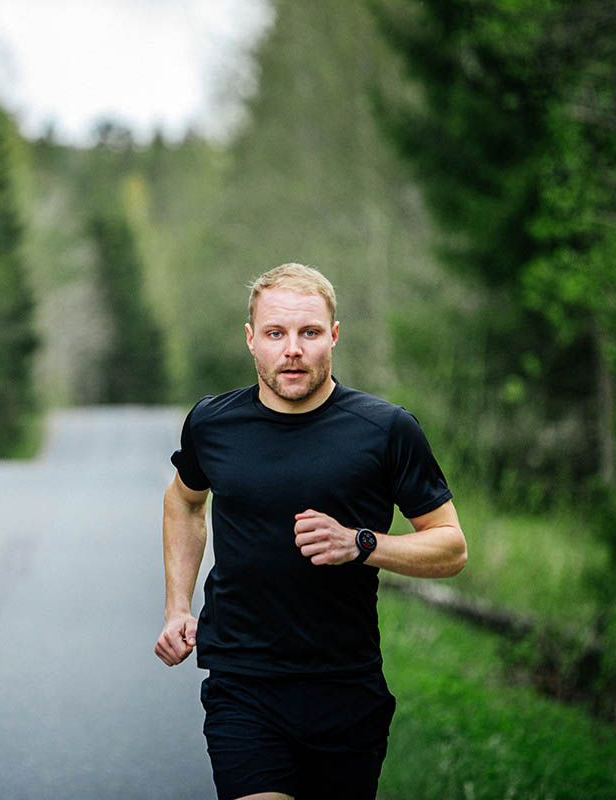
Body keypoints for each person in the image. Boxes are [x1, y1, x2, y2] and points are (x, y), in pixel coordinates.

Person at [154, 263, 467, 800]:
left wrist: (362, 544)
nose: (292, 349)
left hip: (345, 686)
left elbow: (451, 546)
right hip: (242, 680)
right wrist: (177, 607)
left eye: (309, 332)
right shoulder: (213, 423)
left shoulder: (386, 430)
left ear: (335, 336)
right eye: (276, 333)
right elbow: (184, 501)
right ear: (251, 340)